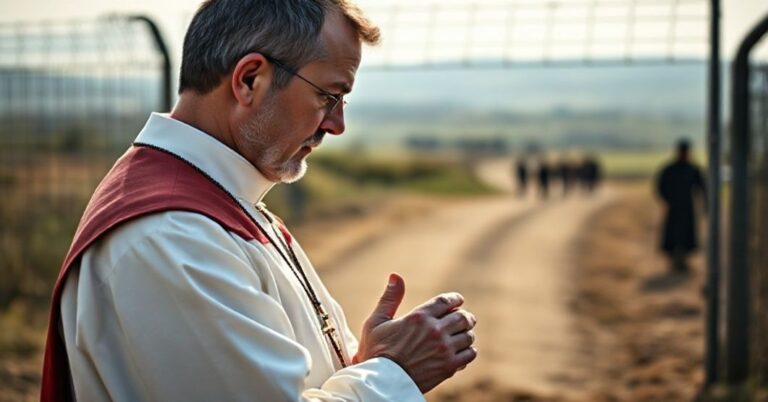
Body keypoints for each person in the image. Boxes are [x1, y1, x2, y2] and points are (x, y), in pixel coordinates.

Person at [40, 1, 477, 401]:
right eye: (329, 96)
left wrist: (366, 362)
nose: (337, 124)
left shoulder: (212, 204)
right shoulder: (171, 237)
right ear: (250, 79)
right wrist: (393, 372)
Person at [655, 139, 706, 272]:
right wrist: (666, 200)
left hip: (687, 207)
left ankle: (682, 261)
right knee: (673, 235)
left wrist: (705, 204)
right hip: (674, 207)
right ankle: (675, 261)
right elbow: (660, 186)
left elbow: (703, 187)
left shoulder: (692, 169)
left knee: (686, 236)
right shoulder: (671, 169)